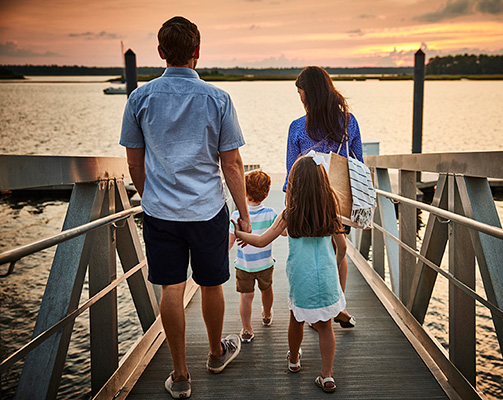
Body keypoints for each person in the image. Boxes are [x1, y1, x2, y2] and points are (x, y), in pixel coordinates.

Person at [119, 16, 251, 399]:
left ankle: (180, 375)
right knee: (212, 283)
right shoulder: (218, 99)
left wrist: (151, 197)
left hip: (161, 213)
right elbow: (231, 164)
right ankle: (214, 353)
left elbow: (133, 164)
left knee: (170, 287)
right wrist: (243, 211)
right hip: (208, 210)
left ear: (161, 53)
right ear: (197, 52)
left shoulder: (139, 98)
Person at [233, 155, 346, 393]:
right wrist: (334, 265)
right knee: (325, 326)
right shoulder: (330, 210)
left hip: (301, 279)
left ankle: (294, 361)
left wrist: (241, 235)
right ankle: (327, 376)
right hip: (326, 277)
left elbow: (263, 241)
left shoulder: (289, 214)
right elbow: (343, 247)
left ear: (295, 184)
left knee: (297, 320)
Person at [284, 66, 362, 328]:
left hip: (308, 205)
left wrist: (289, 211)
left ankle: (320, 312)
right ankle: (337, 306)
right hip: (338, 201)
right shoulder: (348, 122)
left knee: (312, 258)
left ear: (309, 93)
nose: (300, 97)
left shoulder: (297, 127)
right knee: (339, 252)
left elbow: (291, 174)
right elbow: (358, 163)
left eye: (300, 92)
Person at [228, 170, 279, 343]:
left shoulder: (236, 216)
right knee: (267, 290)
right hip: (265, 263)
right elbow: (285, 233)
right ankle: (266, 315)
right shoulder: (271, 213)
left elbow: (229, 243)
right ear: (266, 193)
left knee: (245, 297)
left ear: (244, 191)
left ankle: (247, 330)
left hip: (244, 265)